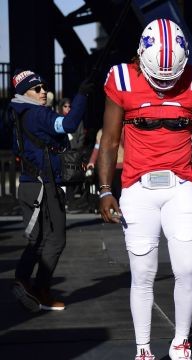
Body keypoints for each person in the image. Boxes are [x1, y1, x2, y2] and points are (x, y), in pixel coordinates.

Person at [97, 18, 192, 360]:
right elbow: (109, 141)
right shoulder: (121, 78)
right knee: (143, 274)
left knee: (186, 268)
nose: (166, 83)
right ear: (141, 57)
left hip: (180, 185)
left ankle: (181, 340)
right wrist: (104, 188)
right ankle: (143, 348)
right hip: (138, 188)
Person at [9, 69, 93, 312]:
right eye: (37, 89)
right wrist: (82, 96)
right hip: (43, 186)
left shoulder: (18, 114)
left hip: (32, 184)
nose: (44, 91)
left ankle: (30, 285)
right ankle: (33, 286)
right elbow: (68, 123)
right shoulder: (36, 114)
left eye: (44, 87)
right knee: (52, 238)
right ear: (24, 93)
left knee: (40, 238)